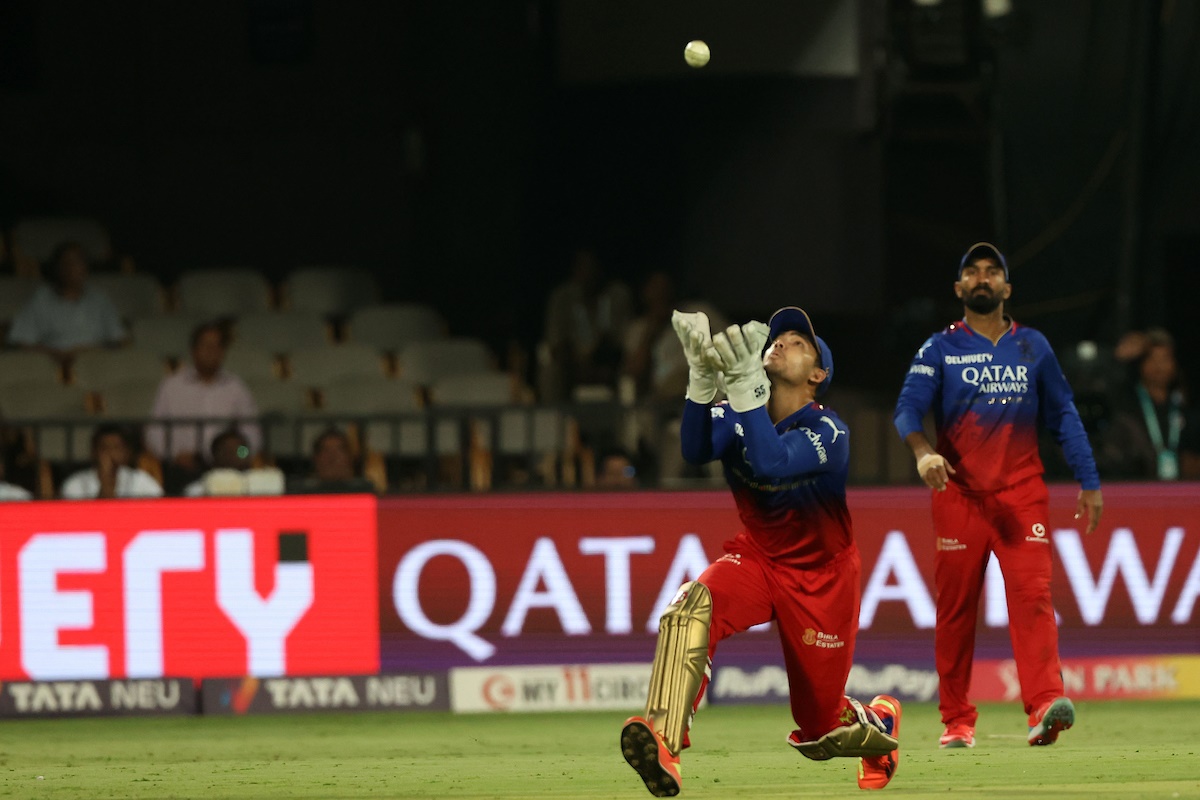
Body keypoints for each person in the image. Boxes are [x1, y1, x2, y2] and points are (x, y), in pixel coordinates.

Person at [621, 306, 901, 797]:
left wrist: (747, 387)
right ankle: (664, 741)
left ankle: (878, 726)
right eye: (778, 338)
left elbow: (772, 463)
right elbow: (694, 449)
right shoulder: (739, 412)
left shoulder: (829, 431)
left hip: (821, 579)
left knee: (820, 732)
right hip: (757, 557)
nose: (782, 343)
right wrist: (701, 382)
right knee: (690, 606)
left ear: (818, 374)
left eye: (799, 342)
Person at [892, 242, 1103, 750]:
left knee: (1033, 597)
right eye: (972, 272)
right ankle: (957, 719)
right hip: (958, 496)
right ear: (959, 289)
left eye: (993, 272)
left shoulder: (1034, 347)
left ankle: (1045, 703)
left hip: (1020, 495)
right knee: (956, 609)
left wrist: (1089, 480)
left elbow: (1064, 415)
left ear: (1007, 289)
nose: (982, 278)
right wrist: (924, 453)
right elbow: (906, 412)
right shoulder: (938, 348)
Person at [143, 321, 261, 491]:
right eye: (206, 345)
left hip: (226, 469)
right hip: (182, 467)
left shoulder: (236, 387)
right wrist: (173, 455)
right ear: (193, 350)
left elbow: (252, 435)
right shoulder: (172, 385)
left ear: (223, 352)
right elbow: (154, 431)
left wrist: (239, 454)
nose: (211, 351)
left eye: (217, 346)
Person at [1097, 328, 1200, 480]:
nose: (1159, 366)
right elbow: (1104, 387)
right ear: (1141, 364)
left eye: (1165, 359)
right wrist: (1119, 358)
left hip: (1181, 489)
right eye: (1152, 359)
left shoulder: (1184, 407)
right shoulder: (1128, 403)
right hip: (1137, 487)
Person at [6, 241, 126, 368]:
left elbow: (120, 340)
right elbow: (21, 342)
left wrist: (88, 352)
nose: (71, 268)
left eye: (78, 262)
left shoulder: (99, 299)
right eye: (66, 263)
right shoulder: (41, 299)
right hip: (55, 367)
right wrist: (55, 354)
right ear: (57, 267)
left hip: (99, 365)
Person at [540, 247, 633, 402]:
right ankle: (555, 419)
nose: (588, 274)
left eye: (592, 267)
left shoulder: (617, 295)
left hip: (608, 363)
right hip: (573, 364)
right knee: (550, 372)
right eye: (582, 268)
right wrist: (580, 362)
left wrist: (601, 358)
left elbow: (622, 341)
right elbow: (556, 343)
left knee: (629, 370)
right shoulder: (563, 298)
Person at [60, 424, 163, 499]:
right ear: (94, 452)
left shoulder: (141, 480)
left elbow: (159, 509)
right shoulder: (74, 484)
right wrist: (106, 485)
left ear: (127, 452)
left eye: (116, 448)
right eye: (105, 448)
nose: (111, 454)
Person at [286, 427, 377, 494]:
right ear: (316, 458)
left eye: (339, 450)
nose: (333, 456)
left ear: (349, 457)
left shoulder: (364, 491)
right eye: (326, 450)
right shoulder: (301, 493)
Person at [182, 427, 253, 496]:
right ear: (214, 454)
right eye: (227, 450)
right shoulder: (197, 490)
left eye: (240, 451)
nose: (233, 455)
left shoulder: (255, 488)